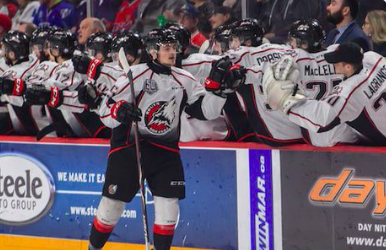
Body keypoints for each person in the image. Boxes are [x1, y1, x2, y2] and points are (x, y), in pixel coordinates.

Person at [88, 28, 237, 250]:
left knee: (169, 208)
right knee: (111, 207)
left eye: (174, 47)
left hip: (165, 151)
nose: (172, 52)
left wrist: (219, 93)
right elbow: (104, 111)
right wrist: (119, 111)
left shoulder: (185, 79)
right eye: (166, 47)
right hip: (130, 149)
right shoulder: (134, 76)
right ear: (152, 51)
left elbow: (205, 111)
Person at [265, 42, 386, 146]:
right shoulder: (373, 58)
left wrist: (287, 101)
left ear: (348, 67)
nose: (333, 64)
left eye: (337, 62)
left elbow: (322, 120)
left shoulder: (349, 91)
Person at [227, 18, 304, 146]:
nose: (233, 44)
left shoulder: (242, 54)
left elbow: (215, 64)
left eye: (235, 39)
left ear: (247, 41)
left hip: (273, 135)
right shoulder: (285, 49)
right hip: (303, 128)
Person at [284, 19, 359, 147]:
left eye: (293, 40)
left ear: (304, 43)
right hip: (347, 130)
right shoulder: (337, 52)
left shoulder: (296, 58)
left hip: (316, 131)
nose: (290, 43)